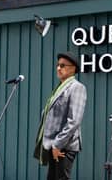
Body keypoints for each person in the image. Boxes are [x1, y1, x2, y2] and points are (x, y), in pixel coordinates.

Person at [34, 52, 87, 180]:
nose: (58, 68)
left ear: (73, 68)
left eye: (63, 65)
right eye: (58, 65)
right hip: (55, 145)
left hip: (64, 146)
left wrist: (57, 144)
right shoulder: (61, 87)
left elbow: (74, 121)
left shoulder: (77, 87)